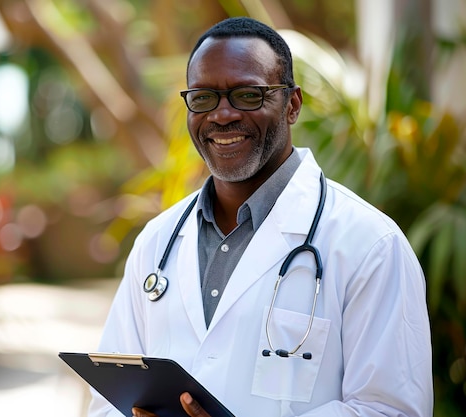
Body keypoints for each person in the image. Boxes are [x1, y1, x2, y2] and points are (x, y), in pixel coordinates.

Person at [88, 16, 433, 417]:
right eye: (203, 98)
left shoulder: (369, 245)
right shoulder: (157, 241)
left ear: (292, 105)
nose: (221, 115)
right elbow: (108, 402)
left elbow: (392, 409)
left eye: (247, 96)